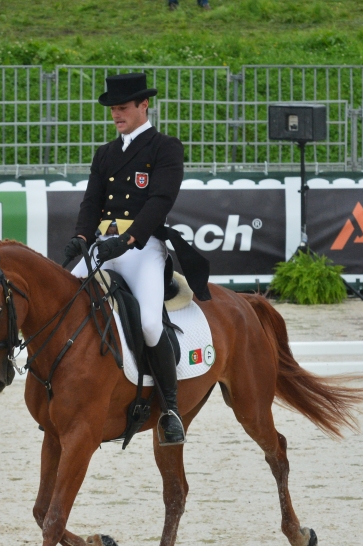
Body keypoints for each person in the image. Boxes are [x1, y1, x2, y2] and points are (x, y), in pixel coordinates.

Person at [64, 72, 209, 446]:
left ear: (144, 105)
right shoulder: (106, 153)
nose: (116, 114)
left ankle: (171, 409)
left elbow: (160, 201)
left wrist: (128, 239)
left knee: (147, 323)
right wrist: (81, 237)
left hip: (141, 248)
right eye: (113, 109)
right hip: (103, 244)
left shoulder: (165, 148)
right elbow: (91, 201)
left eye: (123, 107)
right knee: (63, 299)